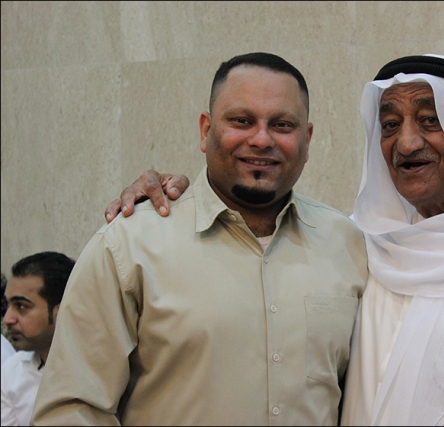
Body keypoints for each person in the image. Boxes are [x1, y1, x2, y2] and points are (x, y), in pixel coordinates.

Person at [111, 54, 444, 425]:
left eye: (430, 120)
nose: (406, 141)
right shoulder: (368, 249)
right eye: (389, 124)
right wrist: (179, 195)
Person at [32, 52, 368, 426]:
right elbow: (71, 409)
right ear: (205, 130)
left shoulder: (347, 244)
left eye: (282, 125)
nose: (261, 139)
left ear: (307, 139)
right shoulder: (129, 246)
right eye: (242, 121)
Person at [1, 252, 75, 426]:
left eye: (21, 306)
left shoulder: (103, 371)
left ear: (61, 311)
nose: (7, 319)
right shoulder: (13, 371)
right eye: (7, 305)